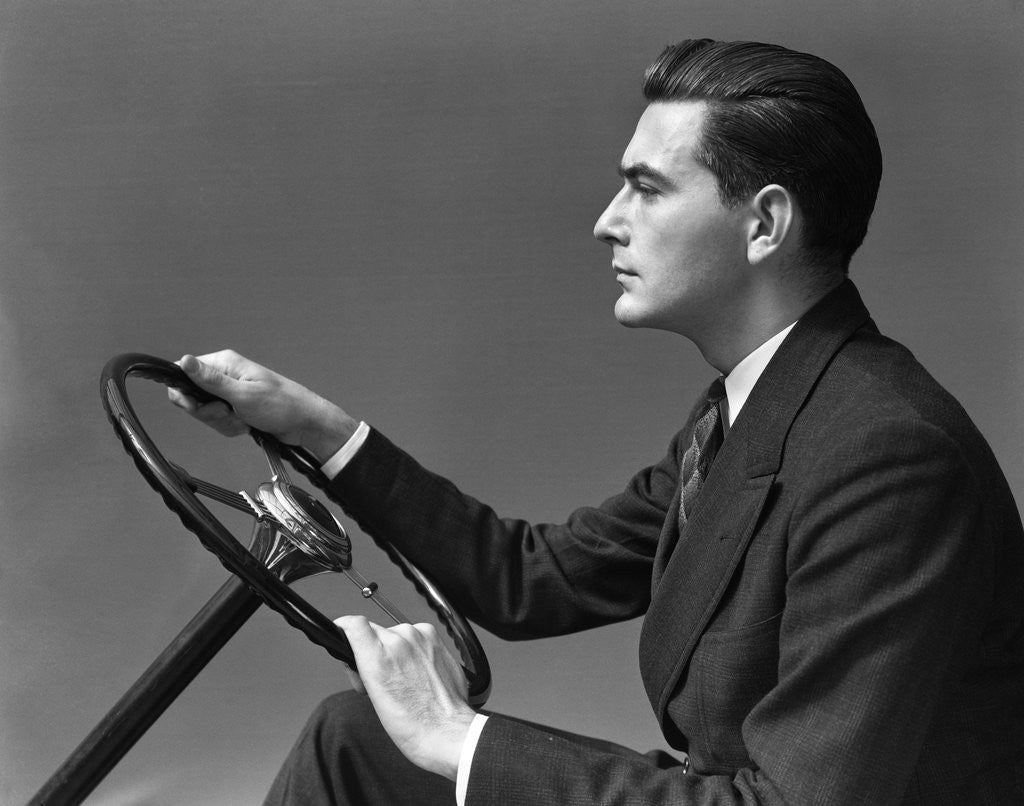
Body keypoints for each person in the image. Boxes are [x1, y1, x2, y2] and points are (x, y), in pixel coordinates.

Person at [169, 38, 1024, 805]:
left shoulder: (890, 454)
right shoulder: (755, 409)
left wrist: (455, 735)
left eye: (646, 189)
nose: (606, 221)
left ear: (764, 223)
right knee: (352, 739)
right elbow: (531, 577)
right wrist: (312, 426)